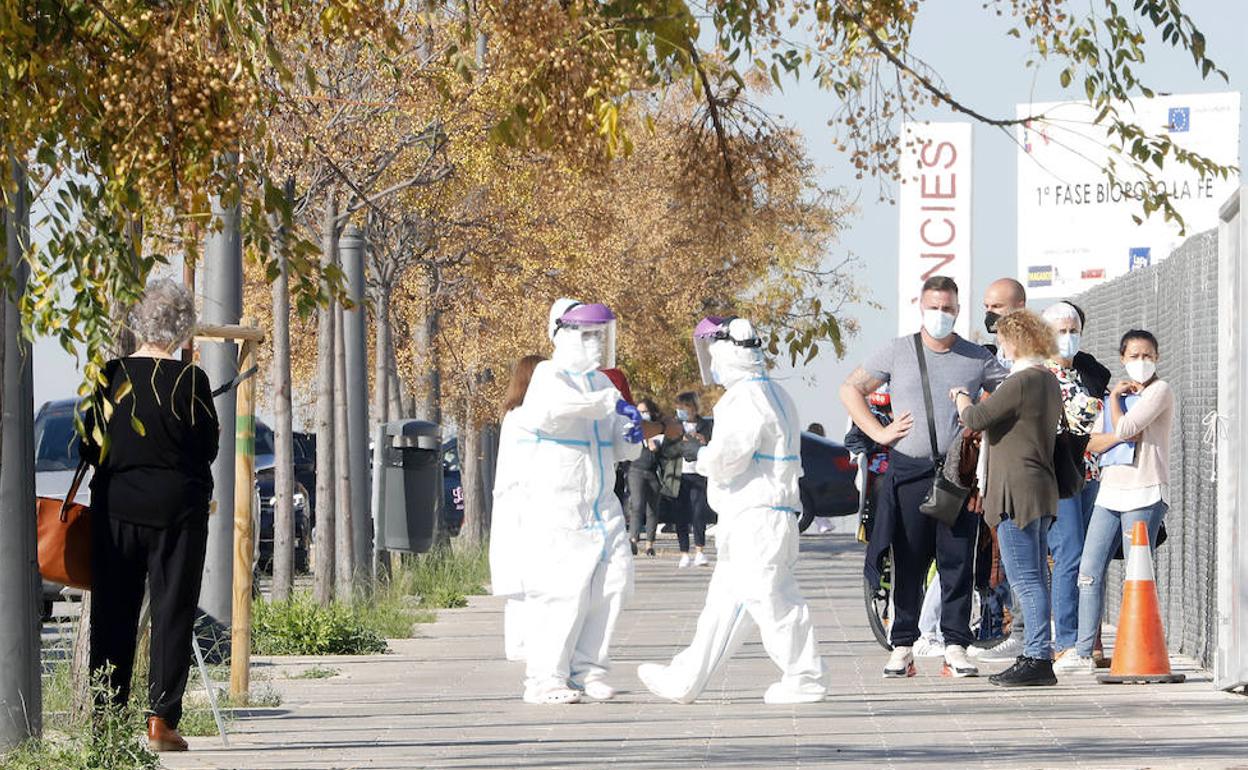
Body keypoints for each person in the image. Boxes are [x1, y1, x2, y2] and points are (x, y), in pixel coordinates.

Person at [638, 316, 828, 704]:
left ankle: (804, 677)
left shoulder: (742, 399)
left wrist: (699, 454)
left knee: (771, 602)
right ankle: (686, 678)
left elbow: (728, 459)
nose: (713, 362)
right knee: (725, 605)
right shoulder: (775, 394)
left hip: (755, 518)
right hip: (767, 516)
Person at [839, 275, 1006, 679]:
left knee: (957, 561)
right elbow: (850, 389)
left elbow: (1009, 397)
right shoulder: (897, 351)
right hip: (907, 469)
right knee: (908, 560)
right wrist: (878, 433)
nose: (940, 315)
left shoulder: (975, 357)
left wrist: (984, 443)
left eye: (947, 308)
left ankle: (955, 645)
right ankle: (902, 645)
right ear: (921, 307)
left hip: (957, 473)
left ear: (958, 310)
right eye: (934, 307)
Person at [81, 279, 220, 753]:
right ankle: (161, 720)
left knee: (113, 611)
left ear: (138, 323)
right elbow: (209, 447)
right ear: (183, 328)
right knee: (172, 611)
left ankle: (107, 717)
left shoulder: (109, 375)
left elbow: (86, 444)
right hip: (178, 511)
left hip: (116, 509)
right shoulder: (191, 380)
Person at [515, 299, 643, 704]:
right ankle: (544, 678)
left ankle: (588, 668)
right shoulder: (548, 376)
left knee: (614, 585)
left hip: (602, 502)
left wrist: (630, 432)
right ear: (561, 334)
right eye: (585, 335)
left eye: (597, 336)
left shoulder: (600, 383)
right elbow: (550, 414)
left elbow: (620, 447)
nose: (593, 344)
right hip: (561, 502)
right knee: (563, 591)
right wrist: (607, 405)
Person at [953, 310, 1063, 687]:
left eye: (1002, 339)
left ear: (1016, 341)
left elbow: (976, 418)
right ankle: (1037, 654)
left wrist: (961, 398)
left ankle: (1036, 657)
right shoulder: (1047, 380)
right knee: (1036, 576)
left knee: (1025, 578)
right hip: (1038, 486)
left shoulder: (1021, 381)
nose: (1000, 345)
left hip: (1015, 490)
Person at [1057, 329, 1174, 674]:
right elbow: (1091, 443)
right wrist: (1114, 411)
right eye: (1134, 356)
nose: (1141, 361)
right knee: (1088, 572)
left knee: (1136, 575)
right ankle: (1082, 652)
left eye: (1147, 355)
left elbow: (1127, 430)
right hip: (1111, 491)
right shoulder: (1116, 394)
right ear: (1122, 359)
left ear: (1157, 356)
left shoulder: (1159, 391)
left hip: (1145, 490)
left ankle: (1135, 648)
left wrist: (1113, 407)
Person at [1041, 302, 1110, 665]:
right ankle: (1065, 638)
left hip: (1091, 471)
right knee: (1068, 552)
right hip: (1057, 475)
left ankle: (1088, 639)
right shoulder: (1039, 374)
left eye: (1073, 331)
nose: (1067, 338)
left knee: (1090, 558)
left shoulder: (1088, 373)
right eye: (1060, 331)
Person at [489, 354, 546, 663]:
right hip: (525, 505)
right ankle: (523, 644)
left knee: (523, 582)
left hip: (519, 505)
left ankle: (521, 643)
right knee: (527, 578)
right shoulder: (526, 418)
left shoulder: (513, 416)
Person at [628, 398, 683, 556]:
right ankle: (633, 539)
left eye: (644, 412)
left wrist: (657, 446)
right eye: (639, 412)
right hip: (636, 470)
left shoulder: (659, 429)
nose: (642, 415)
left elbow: (668, 453)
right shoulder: (633, 428)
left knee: (652, 508)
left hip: (653, 472)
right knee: (637, 505)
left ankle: (650, 544)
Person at [673, 391, 715, 568]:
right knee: (681, 514)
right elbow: (667, 447)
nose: (682, 410)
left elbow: (714, 445)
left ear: (693, 407)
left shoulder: (705, 425)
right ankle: (684, 553)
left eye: (685, 406)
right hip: (679, 473)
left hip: (698, 473)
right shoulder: (675, 425)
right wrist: (677, 441)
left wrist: (703, 441)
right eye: (679, 407)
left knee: (698, 512)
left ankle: (699, 551)